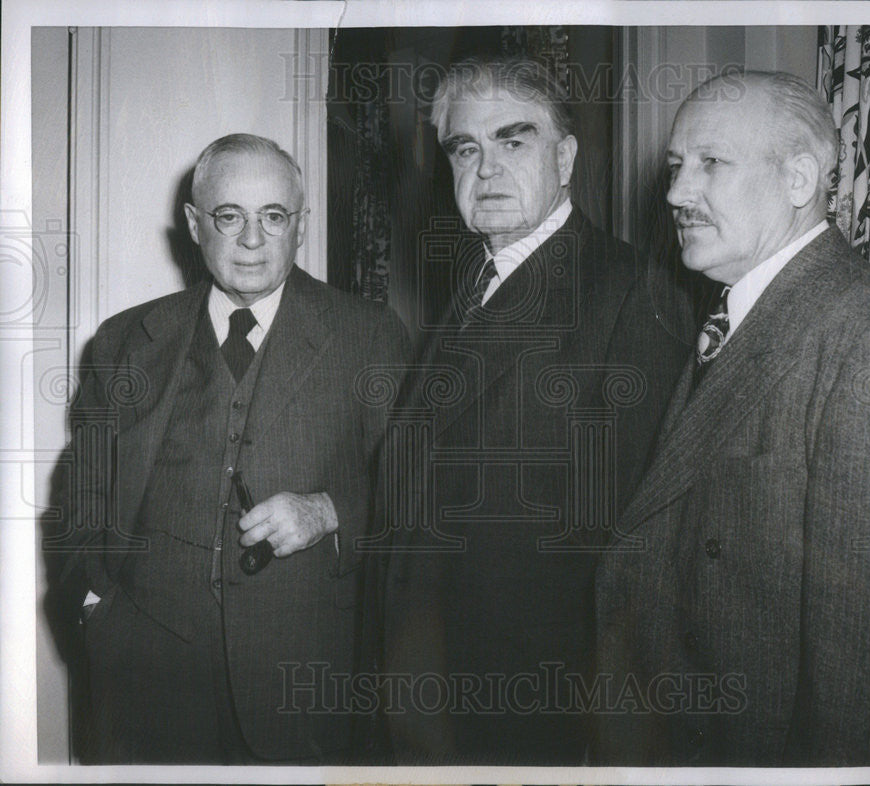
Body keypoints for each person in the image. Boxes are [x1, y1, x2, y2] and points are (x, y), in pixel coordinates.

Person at [593, 71, 870, 766]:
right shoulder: (736, 313)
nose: (675, 193)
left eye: (711, 163)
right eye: (676, 166)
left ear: (799, 180)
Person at [56, 133, 409, 763]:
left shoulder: (369, 335)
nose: (252, 240)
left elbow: (413, 486)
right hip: (145, 679)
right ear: (195, 225)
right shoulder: (124, 340)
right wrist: (93, 604)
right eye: (230, 216)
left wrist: (329, 510)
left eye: (273, 217)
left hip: (300, 677)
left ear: (299, 226)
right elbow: (82, 488)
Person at [376, 57, 690, 764]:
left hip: (533, 701)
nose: (485, 169)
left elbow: (641, 551)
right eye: (465, 149)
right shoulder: (472, 284)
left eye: (512, 141)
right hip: (424, 685)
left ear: (566, 156)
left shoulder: (630, 292)